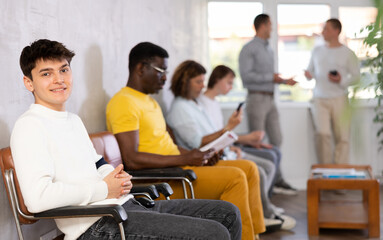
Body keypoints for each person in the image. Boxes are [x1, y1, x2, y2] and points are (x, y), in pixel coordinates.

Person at [11, 39, 242, 240]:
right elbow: (38, 199)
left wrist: (116, 179)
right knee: (215, 233)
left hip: (123, 206)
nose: (59, 79)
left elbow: (97, 164)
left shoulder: (72, 120)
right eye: (46, 73)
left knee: (227, 213)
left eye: (63, 70)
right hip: (96, 226)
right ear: (28, 83)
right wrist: (104, 189)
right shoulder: (29, 126)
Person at [106, 42, 264, 239]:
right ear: (140, 68)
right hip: (165, 179)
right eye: (160, 70)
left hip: (178, 168)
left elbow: (167, 147)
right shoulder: (123, 102)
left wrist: (198, 156)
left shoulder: (149, 101)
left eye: (166, 70)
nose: (164, 77)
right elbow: (132, 159)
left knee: (248, 168)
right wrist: (187, 158)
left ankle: (253, 234)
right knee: (235, 178)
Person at [166, 60, 296, 231]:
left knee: (258, 167)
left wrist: (229, 142)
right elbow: (197, 142)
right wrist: (229, 128)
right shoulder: (180, 108)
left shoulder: (193, 104)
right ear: (184, 81)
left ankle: (261, 218)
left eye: (203, 81)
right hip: (203, 161)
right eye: (198, 82)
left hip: (215, 154)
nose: (202, 86)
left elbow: (210, 134)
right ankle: (262, 219)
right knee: (255, 171)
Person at [239, 13, 298, 195]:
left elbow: (268, 77)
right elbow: (246, 77)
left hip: (270, 98)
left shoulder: (268, 49)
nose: (272, 28)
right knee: (258, 141)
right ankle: (263, 187)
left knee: (277, 139)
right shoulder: (249, 49)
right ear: (262, 26)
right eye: (270, 25)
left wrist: (281, 81)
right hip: (256, 98)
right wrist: (270, 78)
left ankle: (276, 180)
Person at [305, 18, 360, 164]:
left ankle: (340, 177)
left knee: (343, 138)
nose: (323, 32)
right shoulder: (317, 51)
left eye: (326, 29)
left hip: (340, 98)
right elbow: (310, 72)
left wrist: (341, 80)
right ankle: (325, 176)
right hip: (319, 99)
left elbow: (356, 77)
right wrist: (309, 75)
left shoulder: (348, 53)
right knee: (323, 135)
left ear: (336, 31)